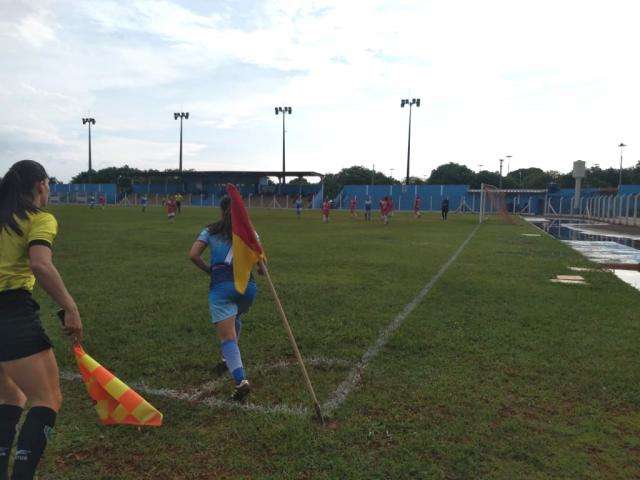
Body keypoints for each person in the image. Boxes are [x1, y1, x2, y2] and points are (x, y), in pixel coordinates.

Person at [0, 160, 83, 480]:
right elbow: (40, 264)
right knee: (47, 398)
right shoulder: (39, 219)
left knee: (10, 397)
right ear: (40, 186)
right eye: (47, 185)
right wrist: (70, 306)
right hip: (11, 312)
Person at [188, 196, 263, 401]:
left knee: (227, 337)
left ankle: (240, 381)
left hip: (221, 288)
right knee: (235, 316)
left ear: (221, 211)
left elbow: (193, 254)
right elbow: (261, 267)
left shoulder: (210, 231)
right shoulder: (251, 234)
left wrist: (209, 270)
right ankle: (225, 359)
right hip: (248, 289)